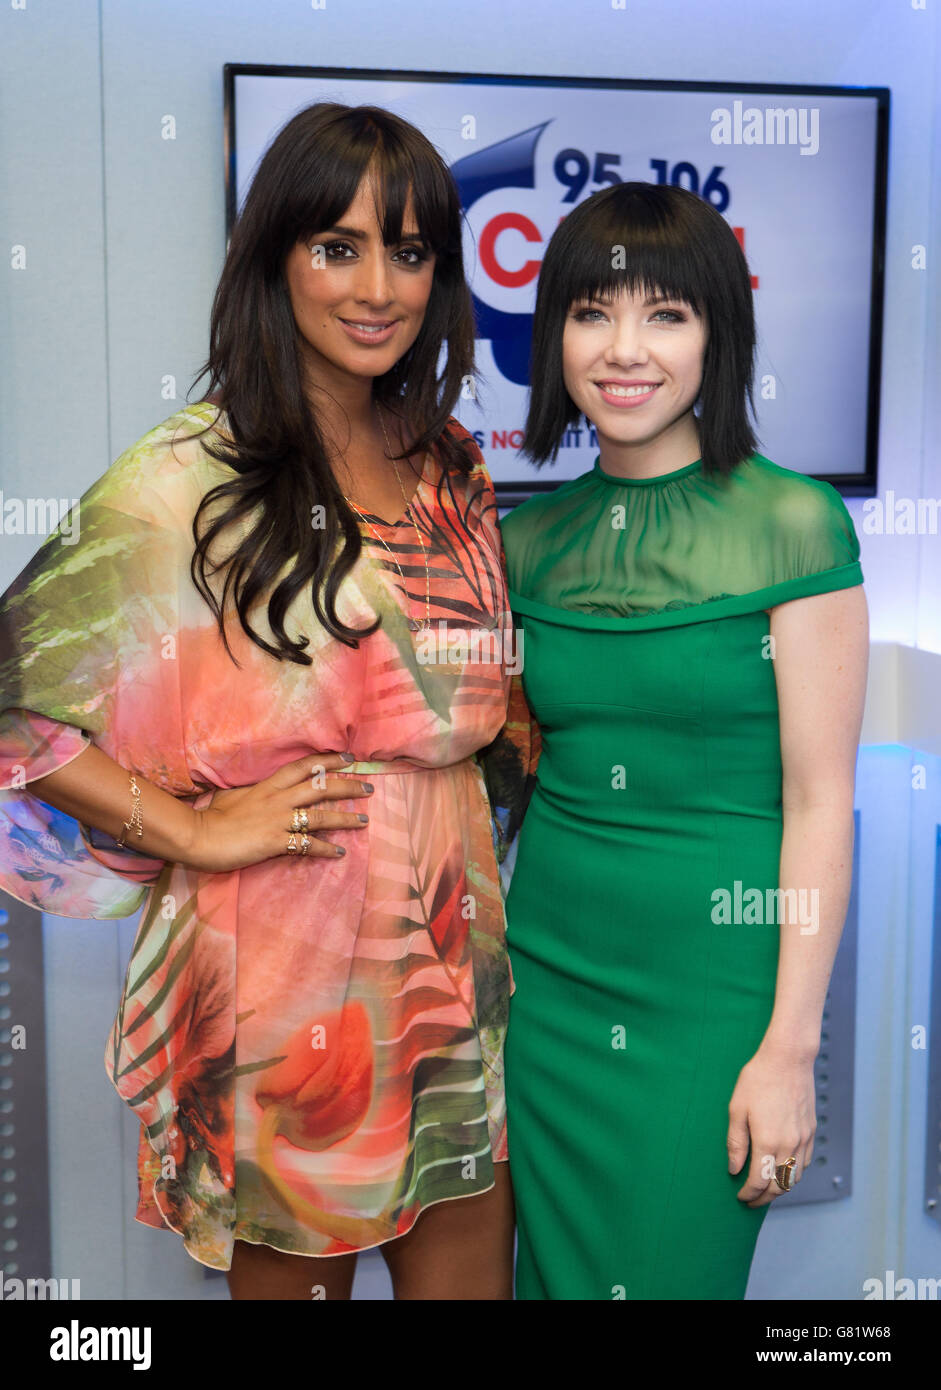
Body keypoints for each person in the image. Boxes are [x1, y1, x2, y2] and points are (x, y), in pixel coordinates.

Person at [0, 102, 516, 1300]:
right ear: (274, 258)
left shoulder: (452, 466)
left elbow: (474, 698)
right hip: (285, 981)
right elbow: (16, 696)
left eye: (408, 247)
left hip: (450, 964)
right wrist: (184, 825)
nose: (376, 283)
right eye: (336, 246)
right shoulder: (191, 472)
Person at [478, 181, 869, 1300]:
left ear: (717, 334)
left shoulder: (791, 521)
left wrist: (790, 1048)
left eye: (666, 314)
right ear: (550, 331)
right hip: (547, 990)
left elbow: (814, 802)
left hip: (713, 994)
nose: (622, 349)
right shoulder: (525, 543)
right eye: (592, 312)